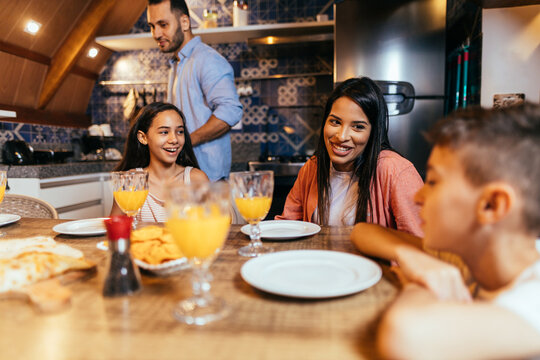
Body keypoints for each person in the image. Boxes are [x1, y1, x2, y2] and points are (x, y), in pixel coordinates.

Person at [351, 103, 540, 360]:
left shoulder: (533, 303)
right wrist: (415, 259)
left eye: (433, 182)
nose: (418, 196)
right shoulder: (474, 251)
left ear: (491, 205)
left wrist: (421, 282)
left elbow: (406, 337)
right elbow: (363, 231)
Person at [276, 77, 423, 235]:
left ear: (373, 132)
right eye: (335, 122)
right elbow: (287, 227)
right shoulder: (313, 167)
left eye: (358, 127)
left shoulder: (396, 171)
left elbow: (420, 247)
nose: (342, 136)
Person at [147, 0, 243, 181]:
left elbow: (231, 110)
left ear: (185, 22)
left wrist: (187, 141)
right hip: (185, 179)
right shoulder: (177, 64)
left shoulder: (207, 60)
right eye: (152, 26)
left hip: (209, 180)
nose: (156, 33)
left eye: (163, 24)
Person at [111, 102, 208, 223]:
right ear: (143, 138)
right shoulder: (131, 181)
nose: (174, 140)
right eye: (164, 132)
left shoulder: (196, 179)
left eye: (180, 132)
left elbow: (216, 224)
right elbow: (114, 228)